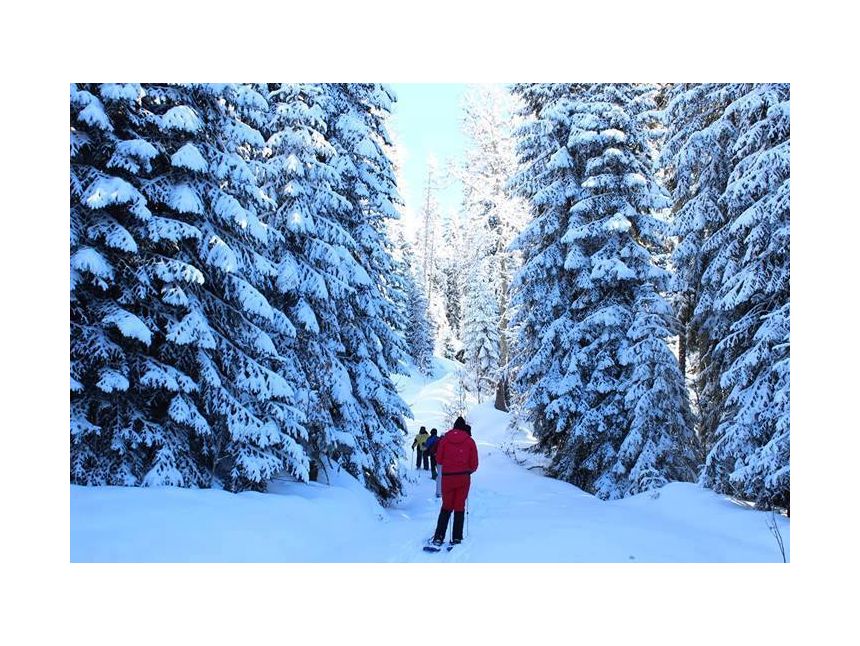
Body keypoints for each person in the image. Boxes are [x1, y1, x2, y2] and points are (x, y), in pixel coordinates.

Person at [430, 416, 478, 546]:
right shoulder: (470, 441)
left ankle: (439, 536)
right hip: (463, 478)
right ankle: (457, 537)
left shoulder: (445, 439)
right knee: (459, 506)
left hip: (447, 477)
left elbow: (439, 459)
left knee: (446, 506)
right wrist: (467, 471)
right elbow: (474, 464)